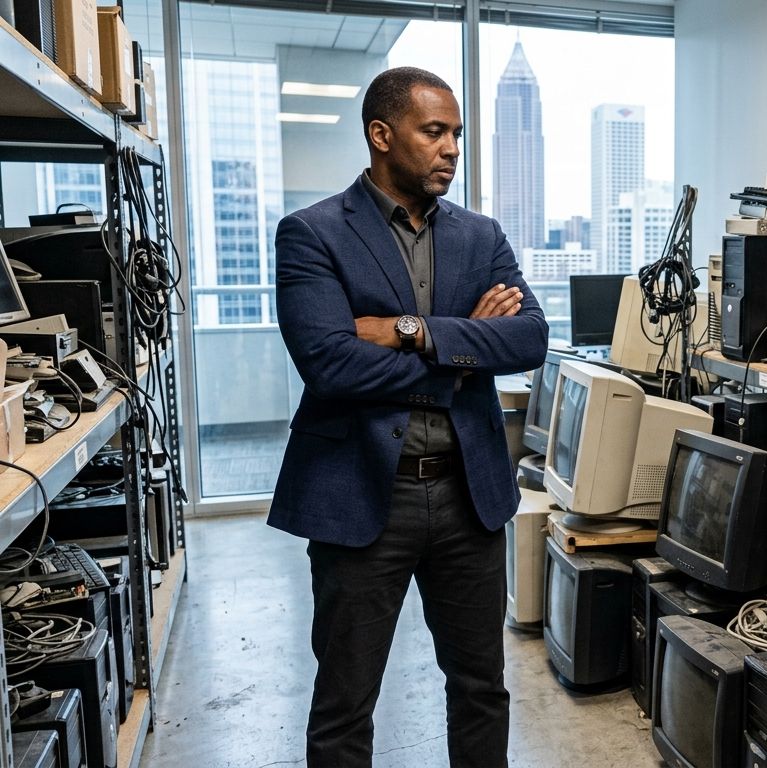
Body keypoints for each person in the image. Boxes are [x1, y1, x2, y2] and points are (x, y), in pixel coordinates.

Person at [268, 66, 548, 768]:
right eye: (435, 132)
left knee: (481, 687)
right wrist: (464, 348)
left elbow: (529, 340)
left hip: (468, 496)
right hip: (362, 497)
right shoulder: (312, 234)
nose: (452, 148)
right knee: (345, 703)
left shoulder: (480, 237)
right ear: (381, 134)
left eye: (456, 134)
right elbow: (329, 364)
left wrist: (412, 331)